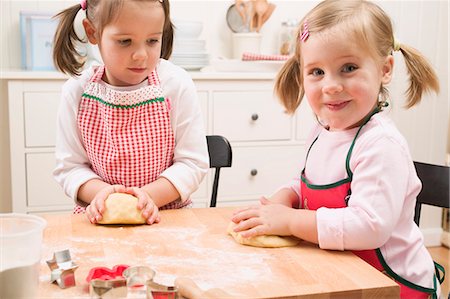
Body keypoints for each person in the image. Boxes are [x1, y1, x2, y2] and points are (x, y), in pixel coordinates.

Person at [231, 1, 444, 298]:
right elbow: (308, 179)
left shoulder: (381, 145)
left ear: (385, 69)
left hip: (392, 287)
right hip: (345, 273)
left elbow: (369, 227)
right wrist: (285, 198)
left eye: (348, 68)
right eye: (317, 71)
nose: (331, 85)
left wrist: (291, 221)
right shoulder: (323, 129)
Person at [52, 0, 209, 225]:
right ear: (92, 32)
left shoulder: (176, 85)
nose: (141, 55)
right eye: (125, 41)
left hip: (168, 217)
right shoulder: (76, 91)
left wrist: (148, 198)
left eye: (152, 40)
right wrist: (103, 195)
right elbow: (70, 168)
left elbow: (192, 163)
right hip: (100, 217)